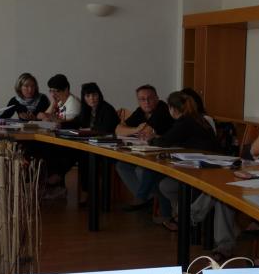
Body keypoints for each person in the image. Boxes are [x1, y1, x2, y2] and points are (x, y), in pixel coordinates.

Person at [131, 91, 220, 230]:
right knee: (156, 177)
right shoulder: (196, 119)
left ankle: (146, 200)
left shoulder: (185, 122)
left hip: (200, 168)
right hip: (200, 163)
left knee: (156, 176)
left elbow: (164, 142)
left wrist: (150, 139)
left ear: (172, 109)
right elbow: (173, 139)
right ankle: (173, 214)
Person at [116, 85, 174, 211]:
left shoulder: (162, 109)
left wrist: (135, 130)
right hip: (147, 152)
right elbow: (118, 130)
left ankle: (144, 198)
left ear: (157, 98)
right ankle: (148, 198)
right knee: (122, 165)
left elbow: (147, 131)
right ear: (138, 101)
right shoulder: (141, 111)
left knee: (140, 170)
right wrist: (136, 129)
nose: (146, 102)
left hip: (165, 154)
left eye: (150, 98)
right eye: (142, 99)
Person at [61, 83, 120, 205]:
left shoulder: (107, 109)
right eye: (88, 96)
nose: (92, 98)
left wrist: (89, 130)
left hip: (107, 148)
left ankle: (87, 192)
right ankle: (58, 176)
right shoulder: (87, 110)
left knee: (84, 156)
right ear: (84, 98)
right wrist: (59, 124)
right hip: (90, 146)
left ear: (99, 95)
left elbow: (106, 129)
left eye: (94, 95)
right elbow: (76, 122)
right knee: (68, 151)